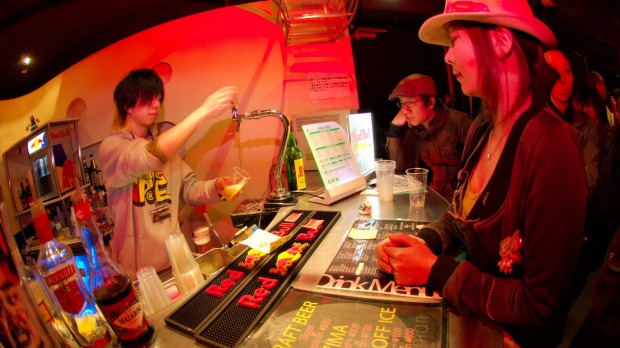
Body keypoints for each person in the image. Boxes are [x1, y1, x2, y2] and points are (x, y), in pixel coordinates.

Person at [375, 0, 587, 347]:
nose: (446, 57)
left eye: (455, 39)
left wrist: (434, 270)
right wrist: (423, 242)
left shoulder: (551, 144)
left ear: (502, 42)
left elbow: (539, 306)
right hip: (475, 321)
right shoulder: (483, 127)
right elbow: (461, 216)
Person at [99, 68, 238, 279]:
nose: (156, 104)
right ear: (127, 105)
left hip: (176, 261)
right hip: (139, 273)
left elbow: (189, 189)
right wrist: (202, 112)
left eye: (158, 98)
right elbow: (147, 157)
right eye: (148, 97)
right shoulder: (112, 148)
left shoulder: (165, 149)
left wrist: (215, 187)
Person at [385, 73, 472, 200]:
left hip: (463, 196)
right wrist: (394, 128)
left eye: (410, 103)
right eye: (402, 104)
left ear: (430, 102)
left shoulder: (460, 122)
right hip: (436, 195)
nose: (405, 111)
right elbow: (399, 166)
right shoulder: (416, 130)